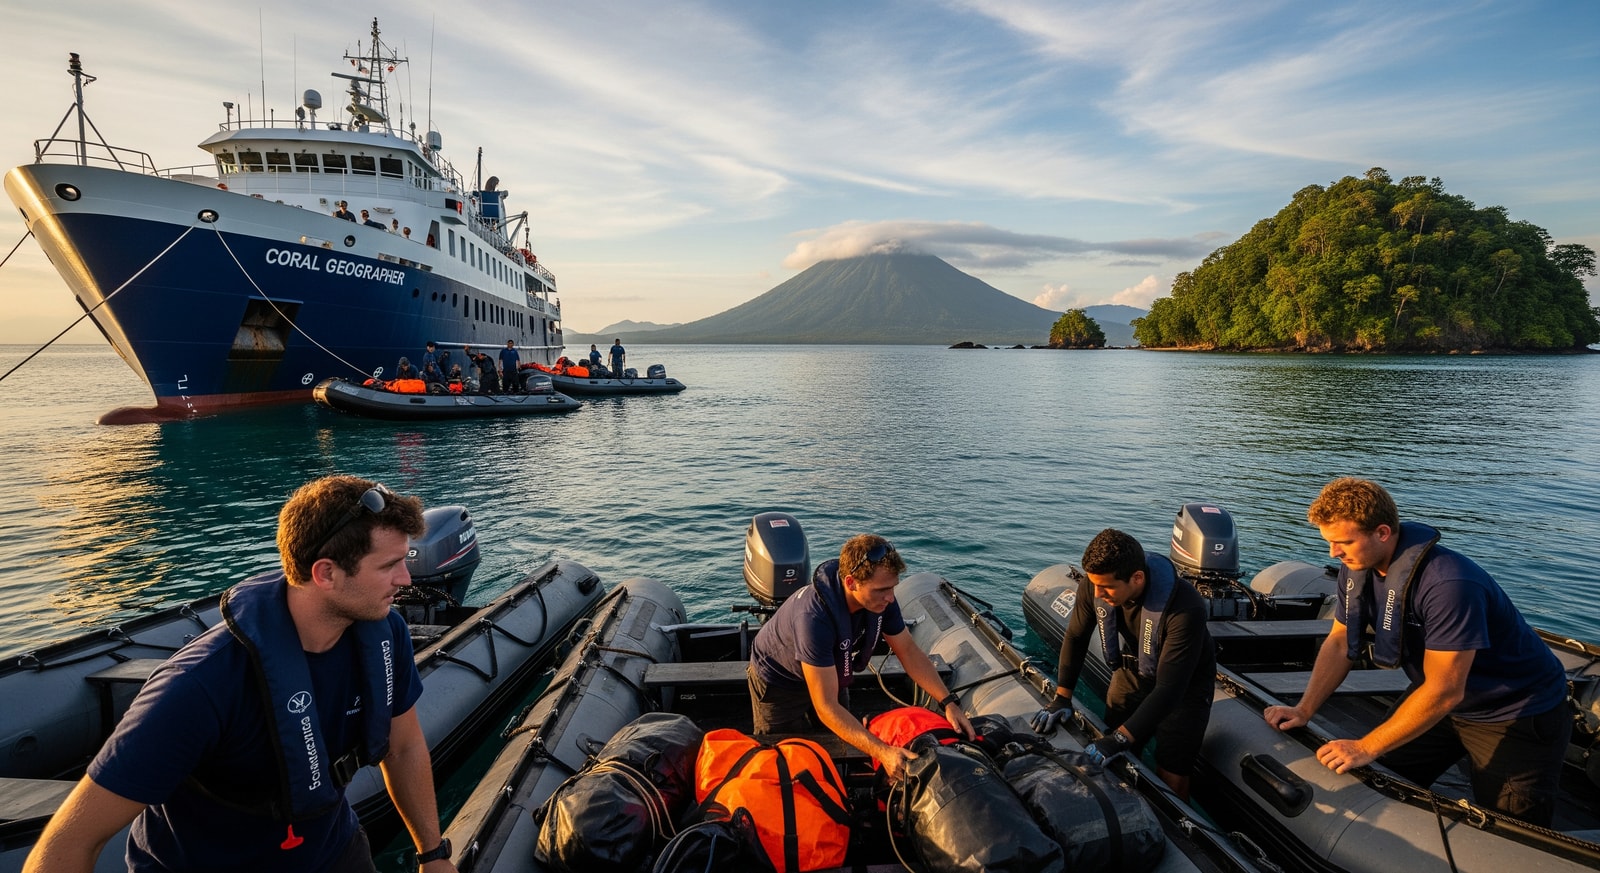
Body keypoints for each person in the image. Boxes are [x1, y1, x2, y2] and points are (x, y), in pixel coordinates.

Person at [23, 476, 457, 873]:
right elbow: (67, 842)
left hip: (332, 852)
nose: (406, 579)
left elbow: (402, 747)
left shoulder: (385, 635)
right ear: (325, 573)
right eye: (388, 566)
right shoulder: (199, 686)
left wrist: (432, 855)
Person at [1262, 478, 1570, 825]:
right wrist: (1304, 709)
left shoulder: (1448, 584)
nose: (1334, 553)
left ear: (1382, 532)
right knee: (1378, 777)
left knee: (1510, 829)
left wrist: (1365, 746)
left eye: (1343, 541)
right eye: (1329, 542)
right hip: (1442, 701)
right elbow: (1339, 643)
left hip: (1512, 712)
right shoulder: (1356, 569)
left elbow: (1445, 689)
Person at [747, 535, 974, 781]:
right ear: (851, 582)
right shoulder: (813, 619)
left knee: (842, 741)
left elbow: (908, 651)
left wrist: (948, 702)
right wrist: (883, 752)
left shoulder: (884, 602)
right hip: (780, 681)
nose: (890, 597)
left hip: (828, 670)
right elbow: (826, 707)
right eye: (882, 590)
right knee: (785, 759)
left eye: (893, 588)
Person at [1031, 527, 1215, 801]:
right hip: (1132, 671)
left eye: (1106, 587)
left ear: (1137, 578)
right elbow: (1076, 636)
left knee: (1172, 770)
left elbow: (1169, 689)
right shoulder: (1095, 586)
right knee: (1117, 754)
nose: (1098, 592)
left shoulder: (1186, 608)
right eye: (1095, 585)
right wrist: (1062, 698)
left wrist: (1118, 739)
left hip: (1184, 688)